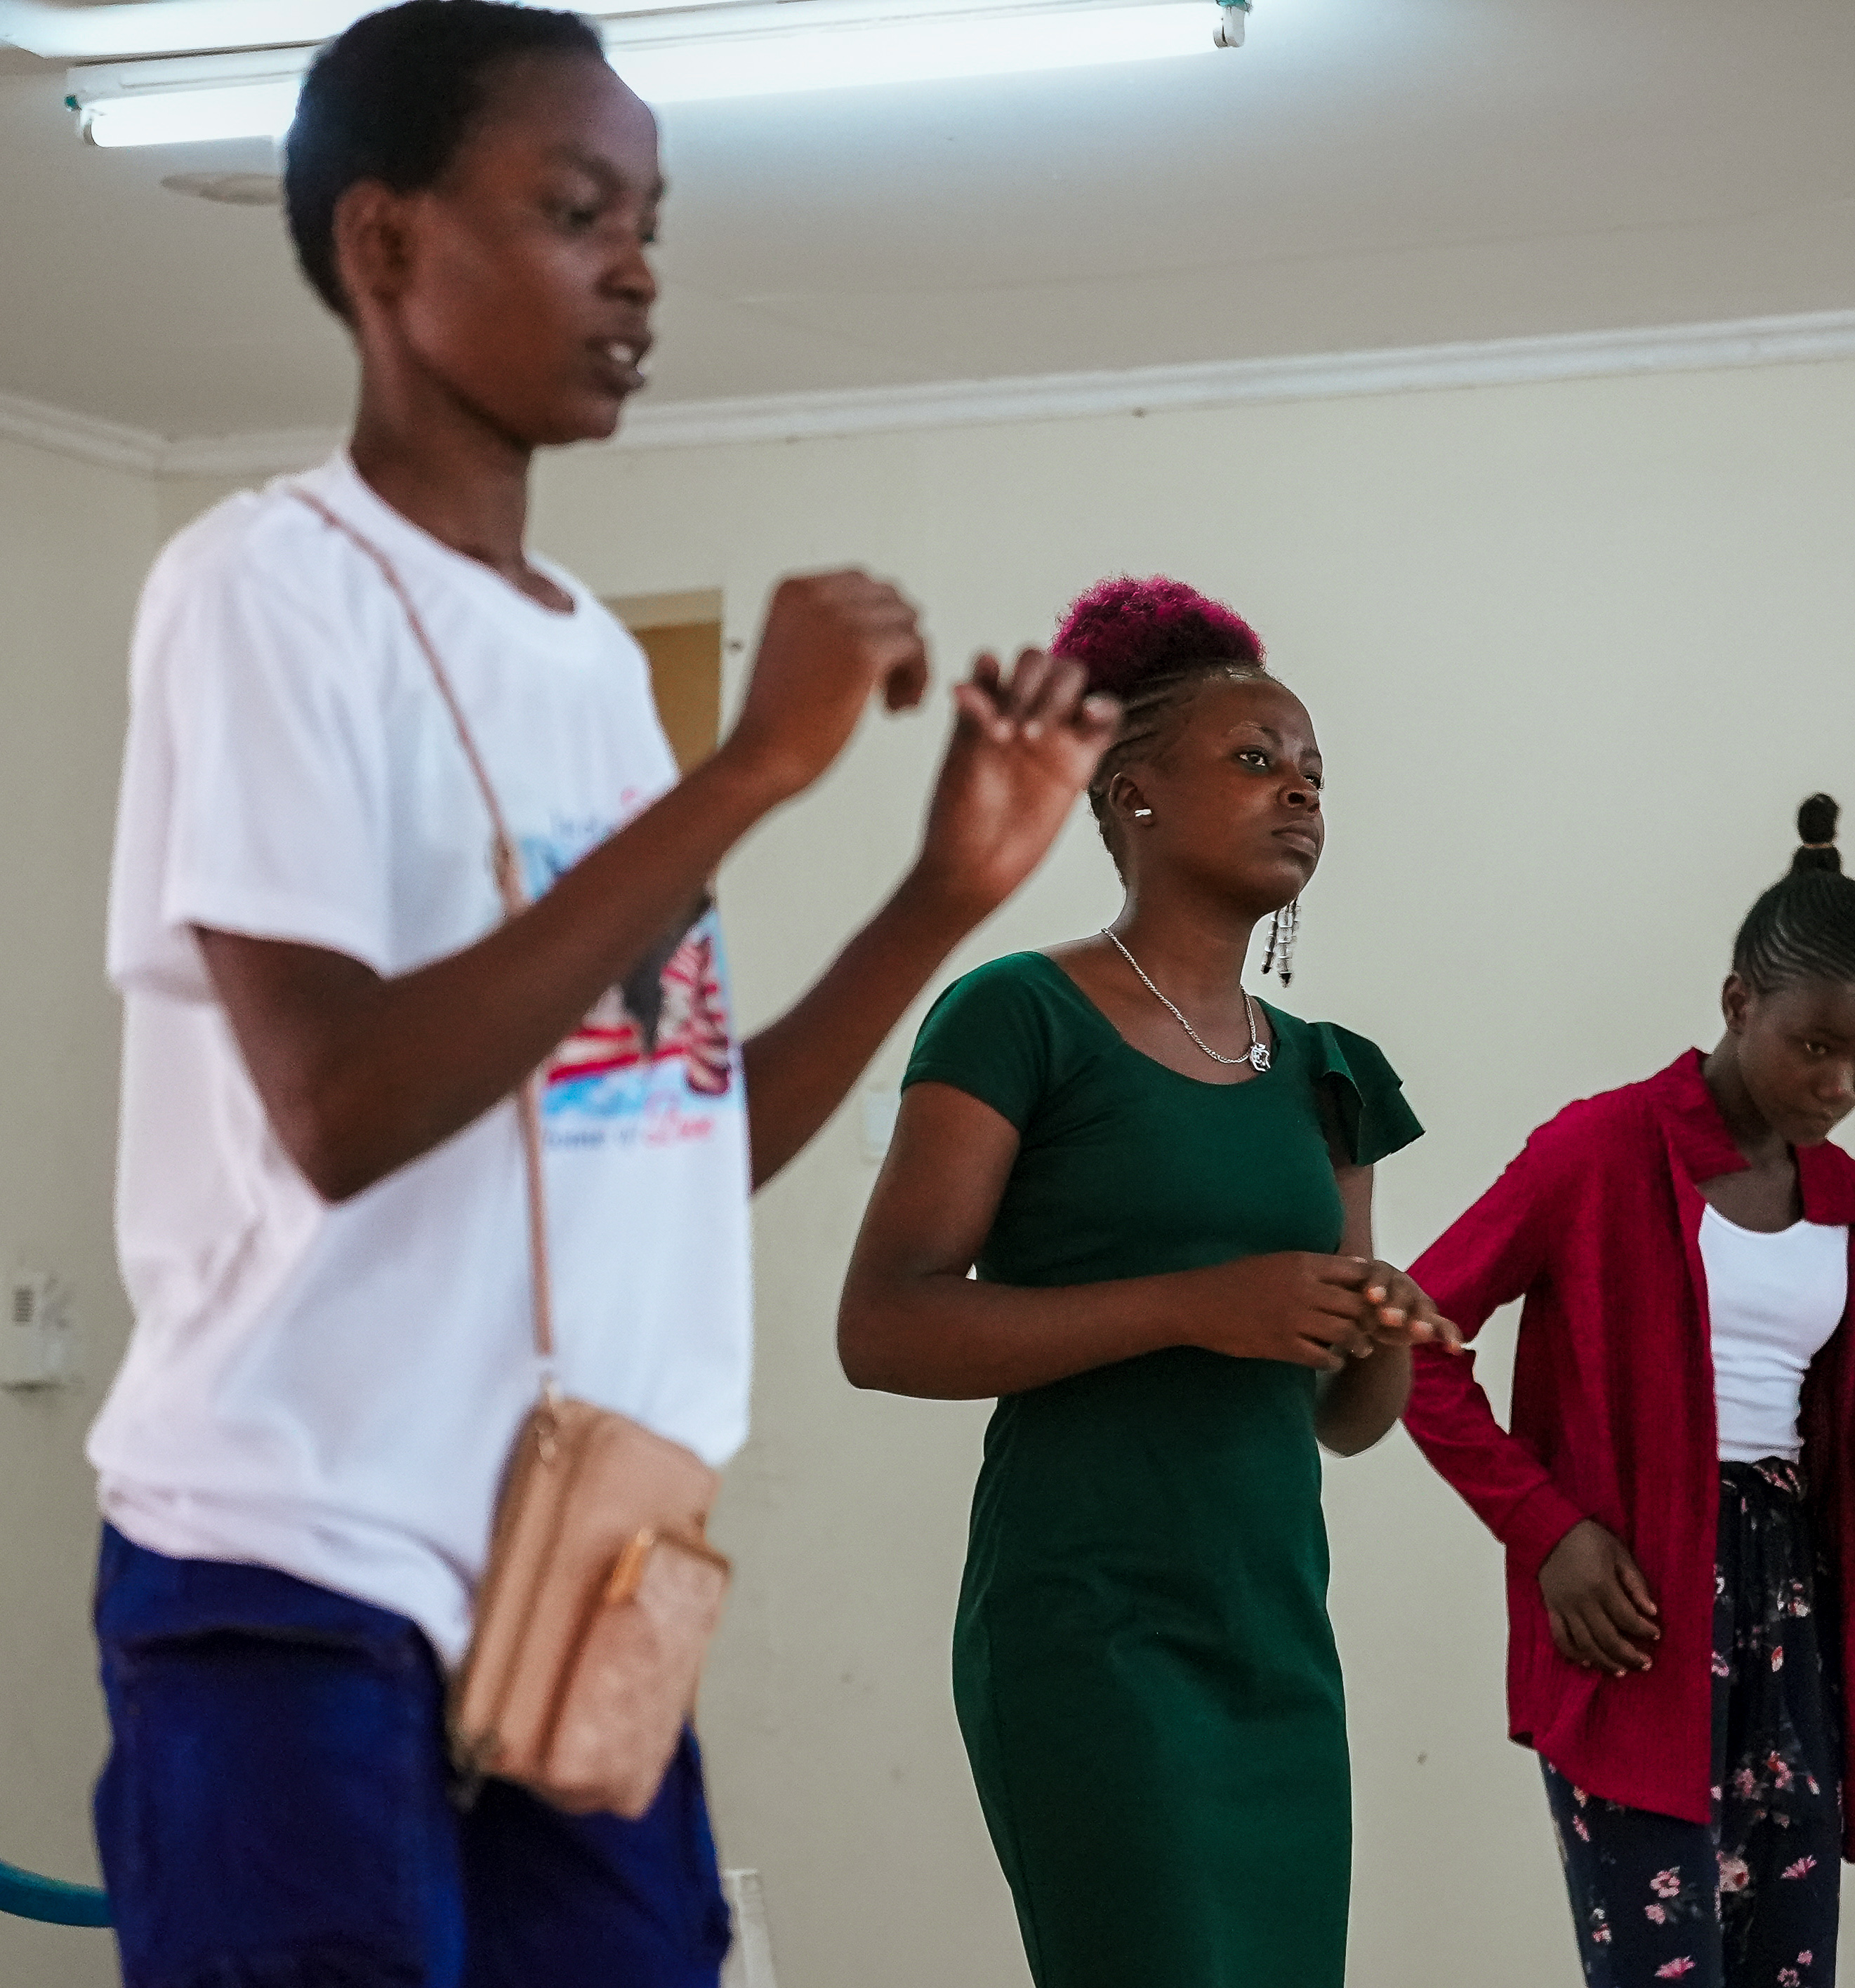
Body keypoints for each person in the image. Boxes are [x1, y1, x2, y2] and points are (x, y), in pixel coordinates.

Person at [88, 5, 1117, 1982]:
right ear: (384, 247)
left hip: (584, 1560)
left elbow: (667, 1138)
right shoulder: (260, 590)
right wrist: (746, 777)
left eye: (649, 215)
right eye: (575, 210)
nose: (638, 264)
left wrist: (936, 890)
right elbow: (344, 1108)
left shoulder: (574, 665)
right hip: (299, 1564)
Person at [837, 577, 1458, 1988]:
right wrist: (1193, 1305)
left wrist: (1380, 1326)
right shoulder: (1018, 1017)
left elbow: (1340, 1420)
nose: (1298, 791)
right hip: (1090, 1635)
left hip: (1275, 1640)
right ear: (1132, 798)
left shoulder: (1330, 1073)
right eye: (1255, 759)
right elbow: (885, 1325)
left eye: (1312, 771)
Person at [1403, 795, 1855, 1988]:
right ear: (1738, 1004)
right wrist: (1549, 1533)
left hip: (1792, 1622)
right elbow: (1412, 1343)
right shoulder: (1598, 1154)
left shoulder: (1854, 1206)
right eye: (1815, 1046)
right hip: (1636, 1618)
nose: (1840, 1085)